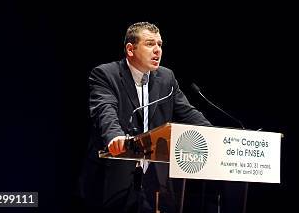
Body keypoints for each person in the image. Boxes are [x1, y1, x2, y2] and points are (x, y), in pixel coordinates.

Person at [79, 22, 211, 212]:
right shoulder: (106, 74)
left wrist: (215, 135)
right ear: (130, 49)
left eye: (160, 44)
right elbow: (104, 109)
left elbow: (188, 113)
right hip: (114, 180)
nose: (157, 50)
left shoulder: (166, 78)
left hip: (156, 183)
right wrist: (115, 136)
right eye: (150, 44)